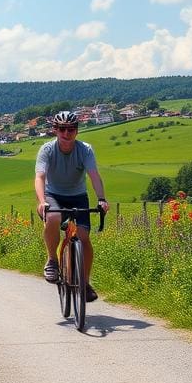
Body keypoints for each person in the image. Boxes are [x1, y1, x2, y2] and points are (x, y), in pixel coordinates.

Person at [34, 110, 109, 302]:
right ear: (55, 130)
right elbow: (40, 177)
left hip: (77, 196)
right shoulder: (47, 150)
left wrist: (101, 198)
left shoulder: (85, 149)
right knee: (52, 217)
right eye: (62, 129)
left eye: (71, 129)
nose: (67, 134)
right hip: (53, 194)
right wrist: (42, 201)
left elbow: (94, 175)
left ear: (77, 131)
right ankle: (52, 260)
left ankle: (84, 283)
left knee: (83, 237)